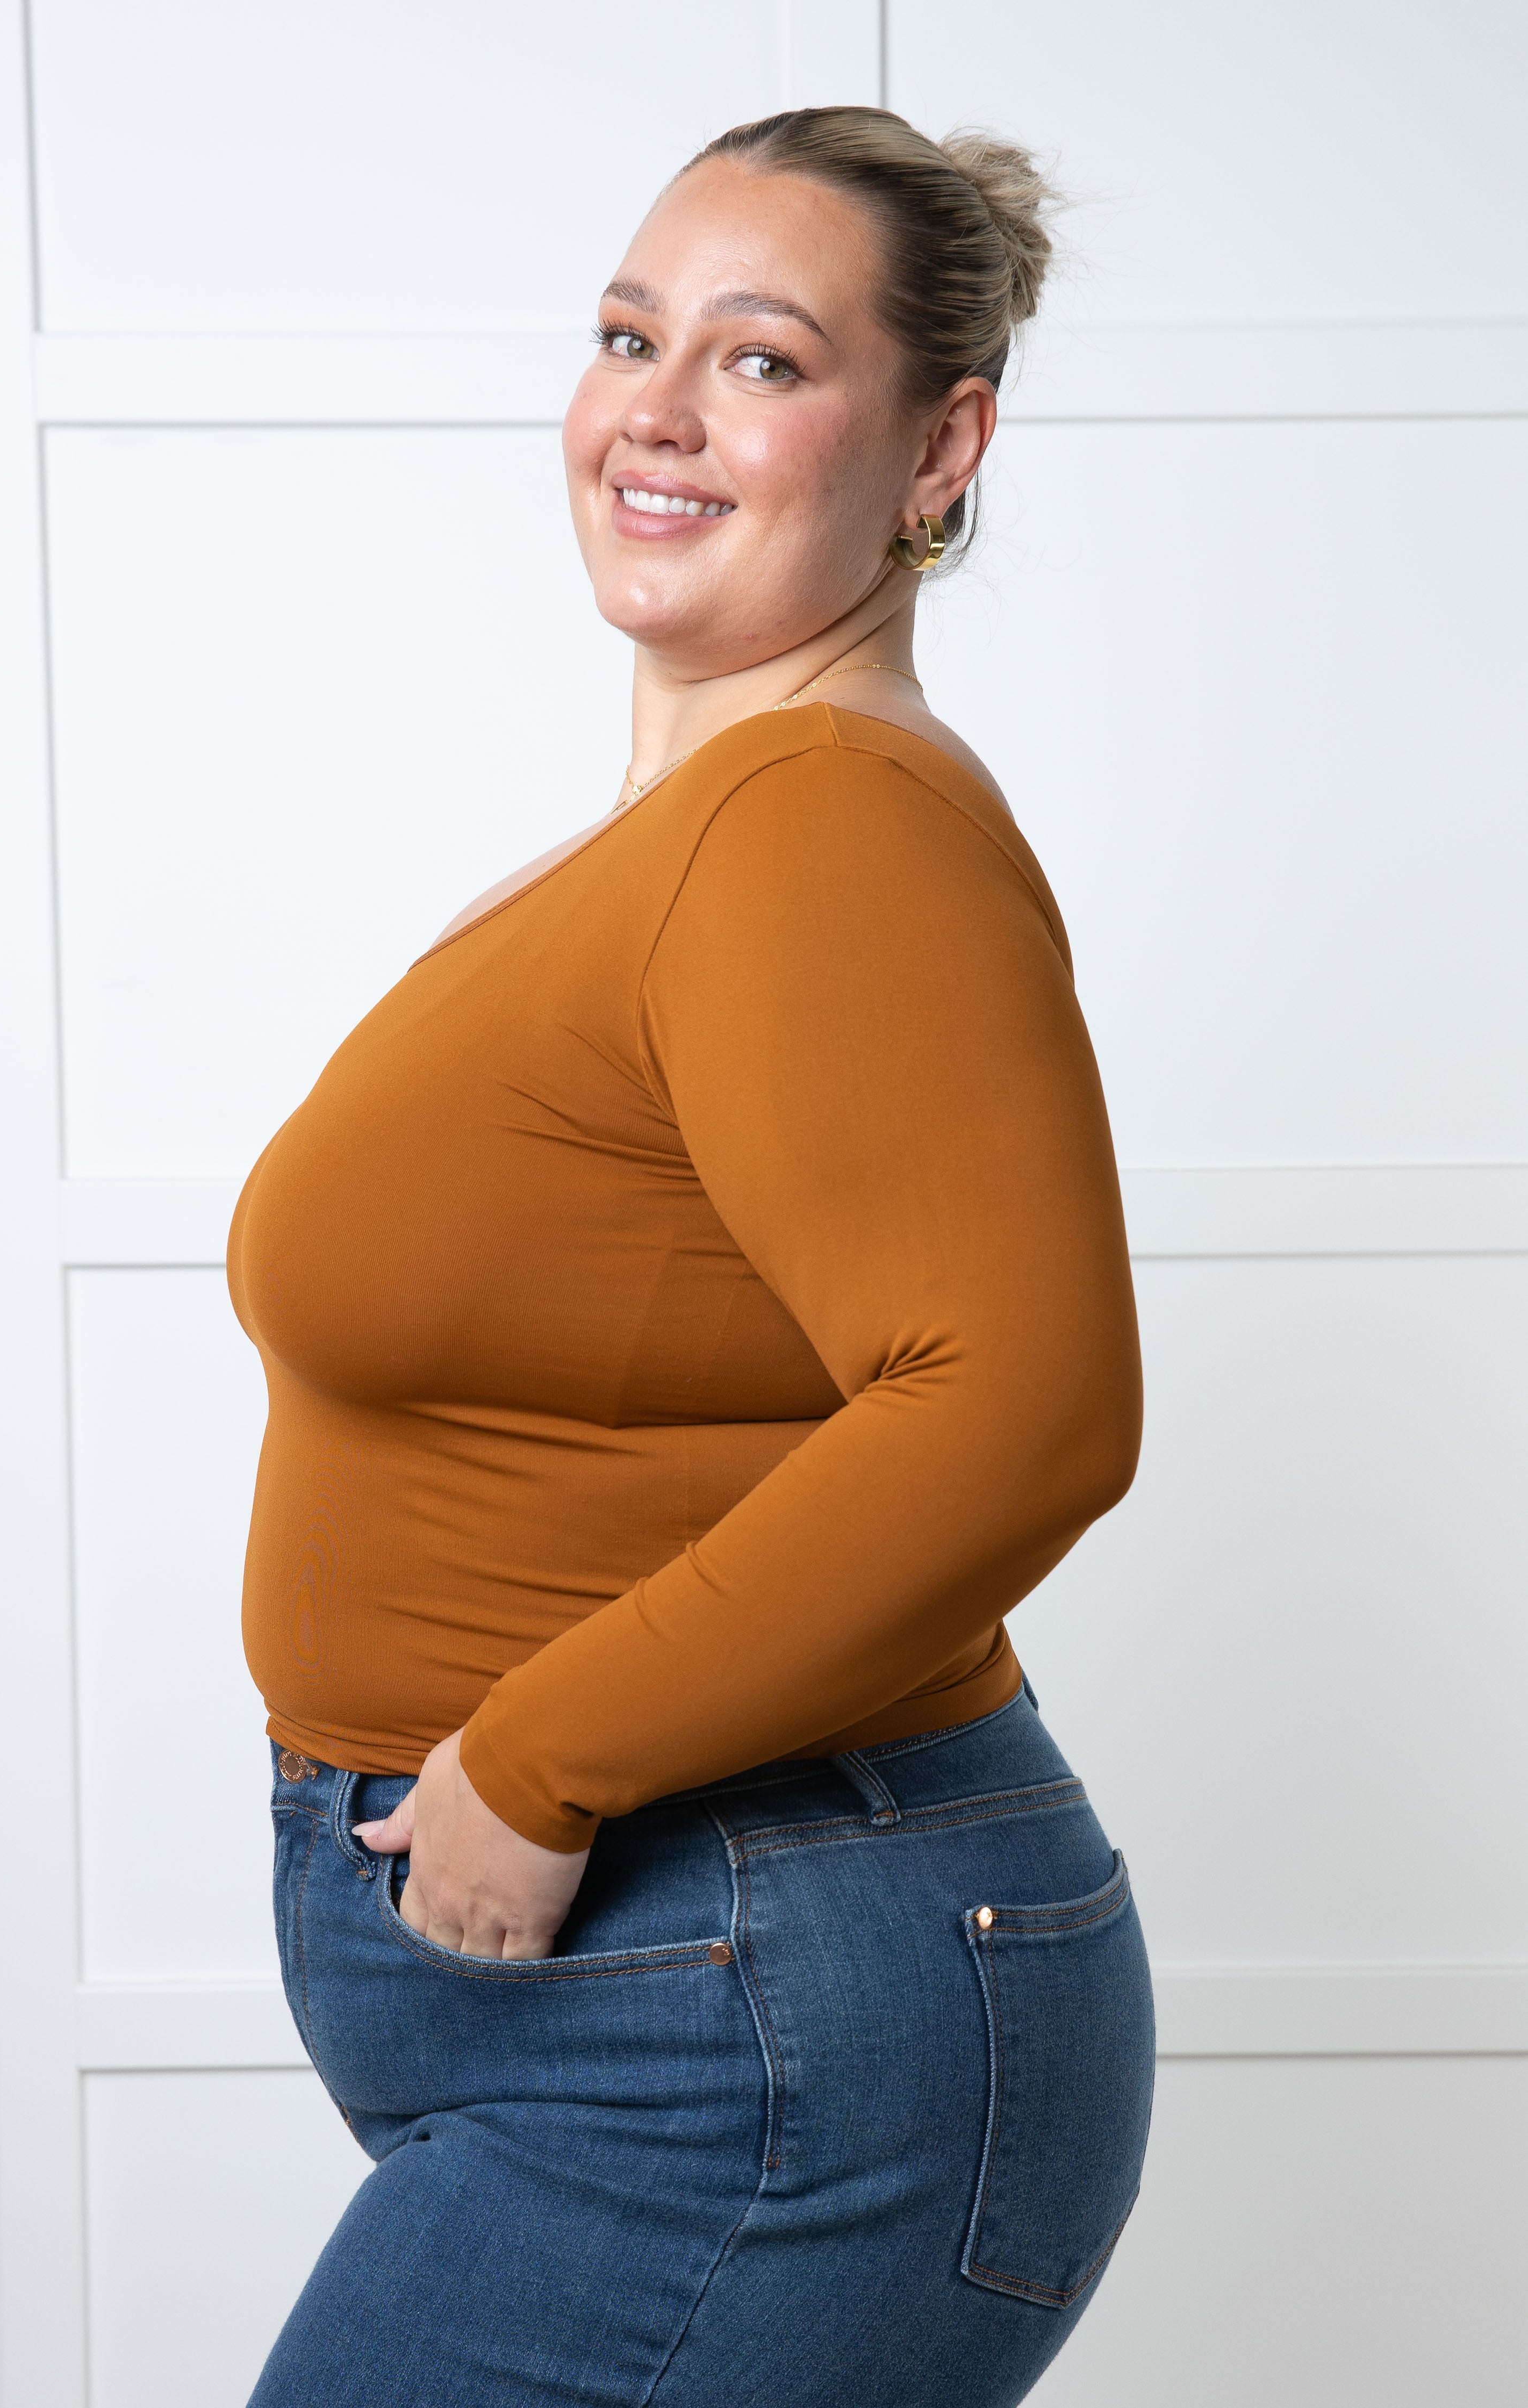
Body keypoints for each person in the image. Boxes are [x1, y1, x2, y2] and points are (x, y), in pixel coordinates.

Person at [229, 103, 1154, 2408]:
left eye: (756, 361)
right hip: (667, 1990)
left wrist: (539, 1759)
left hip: (741, 1988)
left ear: (938, 444)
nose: (652, 406)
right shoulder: (685, 839)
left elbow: (1021, 1396)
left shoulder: (820, 822)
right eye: (629, 334)